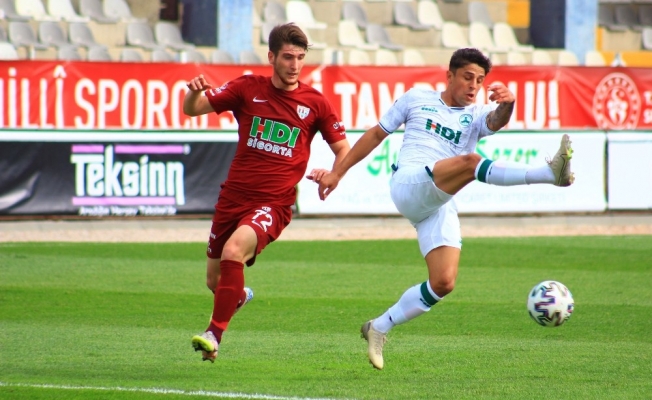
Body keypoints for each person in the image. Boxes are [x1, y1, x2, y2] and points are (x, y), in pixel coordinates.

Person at [317, 47, 574, 370]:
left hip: (437, 201)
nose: (473, 86)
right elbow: (375, 134)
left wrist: (508, 104)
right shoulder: (416, 98)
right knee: (470, 163)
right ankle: (548, 174)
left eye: (480, 80)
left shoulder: (476, 114)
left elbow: (496, 120)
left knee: (443, 282)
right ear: (449, 75)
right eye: (467, 77)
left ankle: (379, 326)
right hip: (409, 183)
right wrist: (337, 172)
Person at [183, 23, 350, 362]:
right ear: (271, 57)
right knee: (215, 282)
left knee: (233, 251)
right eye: (288, 57)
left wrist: (334, 175)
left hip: (273, 203)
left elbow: (343, 149)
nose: (295, 65)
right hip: (232, 197)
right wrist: (193, 93)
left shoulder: (315, 103)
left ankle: (213, 335)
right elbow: (193, 109)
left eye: (300, 57)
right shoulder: (247, 88)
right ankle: (237, 296)